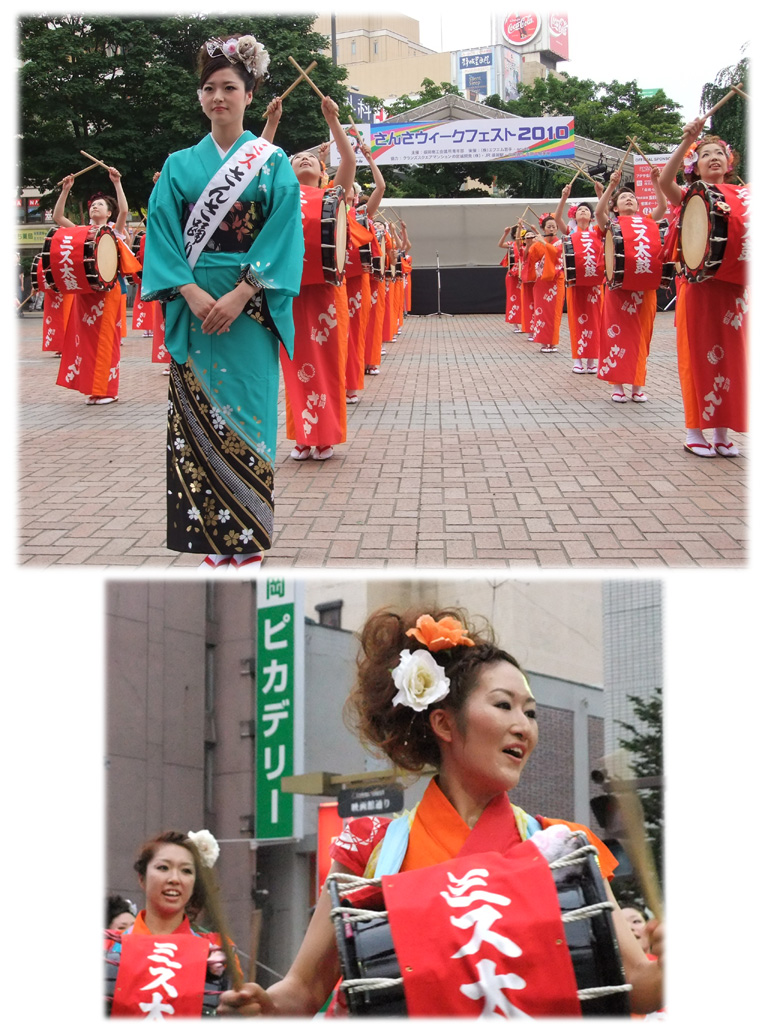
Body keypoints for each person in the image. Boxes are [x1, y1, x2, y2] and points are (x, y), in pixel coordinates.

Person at [218, 608, 664, 1016]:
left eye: (531, 712)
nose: (523, 726)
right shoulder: (373, 846)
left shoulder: (562, 848)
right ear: (445, 723)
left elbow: (637, 984)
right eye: (504, 705)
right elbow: (305, 988)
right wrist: (264, 1006)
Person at [141, 33, 303, 570]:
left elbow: (283, 232)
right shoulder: (178, 165)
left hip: (248, 310)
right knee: (196, 418)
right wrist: (188, 290)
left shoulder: (271, 161)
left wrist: (241, 292)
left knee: (250, 415)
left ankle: (248, 538)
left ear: (249, 94)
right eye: (208, 88)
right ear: (200, 96)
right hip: (193, 305)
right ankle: (209, 541)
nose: (218, 97)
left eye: (229, 87)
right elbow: (161, 234)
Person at [262, 93, 357, 462]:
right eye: (294, 157)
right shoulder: (277, 195)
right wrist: (271, 123)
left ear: (322, 172)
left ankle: (326, 437)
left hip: (326, 295)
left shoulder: (335, 196)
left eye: (311, 158)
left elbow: (348, 159)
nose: (303, 158)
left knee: (327, 364)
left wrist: (332, 120)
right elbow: (254, 163)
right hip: (287, 291)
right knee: (294, 363)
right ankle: (303, 437)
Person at [658, 120, 748, 457]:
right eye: (705, 154)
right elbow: (665, 181)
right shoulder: (688, 197)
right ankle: (694, 431)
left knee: (733, 360)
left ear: (730, 161)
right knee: (696, 359)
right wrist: (687, 142)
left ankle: (723, 433)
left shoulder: (746, 196)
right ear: (694, 166)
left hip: (734, 291)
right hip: (698, 290)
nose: (713, 158)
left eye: (719, 153)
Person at [105, 829, 234, 1016]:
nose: (174, 879)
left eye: (186, 871)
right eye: (163, 868)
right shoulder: (108, 946)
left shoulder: (217, 948)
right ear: (142, 878)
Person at [52, 167, 133, 405]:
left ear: (109, 213)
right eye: (92, 205)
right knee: (85, 342)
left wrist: (116, 183)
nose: (95, 207)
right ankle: (92, 388)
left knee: (106, 339)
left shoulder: (113, 232)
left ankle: (108, 390)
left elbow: (125, 210)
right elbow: (58, 217)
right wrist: (66, 190)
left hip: (108, 293)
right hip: (86, 293)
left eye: (100, 205)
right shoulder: (81, 233)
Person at [595, 169, 667, 403]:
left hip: (644, 290)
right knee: (617, 336)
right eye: (624, 198)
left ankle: (637, 385)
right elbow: (598, 212)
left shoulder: (647, 223)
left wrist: (656, 182)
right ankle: (617, 385)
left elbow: (663, 208)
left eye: (633, 198)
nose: (630, 199)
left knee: (641, 338)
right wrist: (611, 186)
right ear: (615, 208)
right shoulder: (612, 225)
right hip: (619, 291)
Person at [554, 183, 604, 373]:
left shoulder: (597, 232)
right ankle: (578, 359)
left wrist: (600, 194)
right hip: (576, 284)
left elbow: (604, 215)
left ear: (592, 216)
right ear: (574, 215)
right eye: (580, 210)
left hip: (594, 285)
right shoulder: (570, 233)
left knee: (595, 319)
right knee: (577, 320)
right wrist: (564, 197)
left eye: (587, 210)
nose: (583, 212)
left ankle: (592, 359)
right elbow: (557, 218)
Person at [526, 214, 565, 353]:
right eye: (548, 226)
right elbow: (531, 258)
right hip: (542, 281)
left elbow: (556, 253)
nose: (551, 229)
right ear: (543, 228)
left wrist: (543, 243)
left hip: (556, 280)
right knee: (541, 311)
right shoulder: (539, 243)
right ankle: (543, 342)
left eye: (554, 227)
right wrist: (530, 243)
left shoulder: (560, 242)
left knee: (554, 312)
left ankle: (553, 342)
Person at [497, 225, 523, 332]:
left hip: (524, 275)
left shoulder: (528, 244)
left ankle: (525, 323)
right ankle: (515, 324)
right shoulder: (511, 245)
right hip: (513, 275)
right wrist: (505, 233)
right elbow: (500, 244)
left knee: (524, 299)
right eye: (518, 231)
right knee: (514, 299)